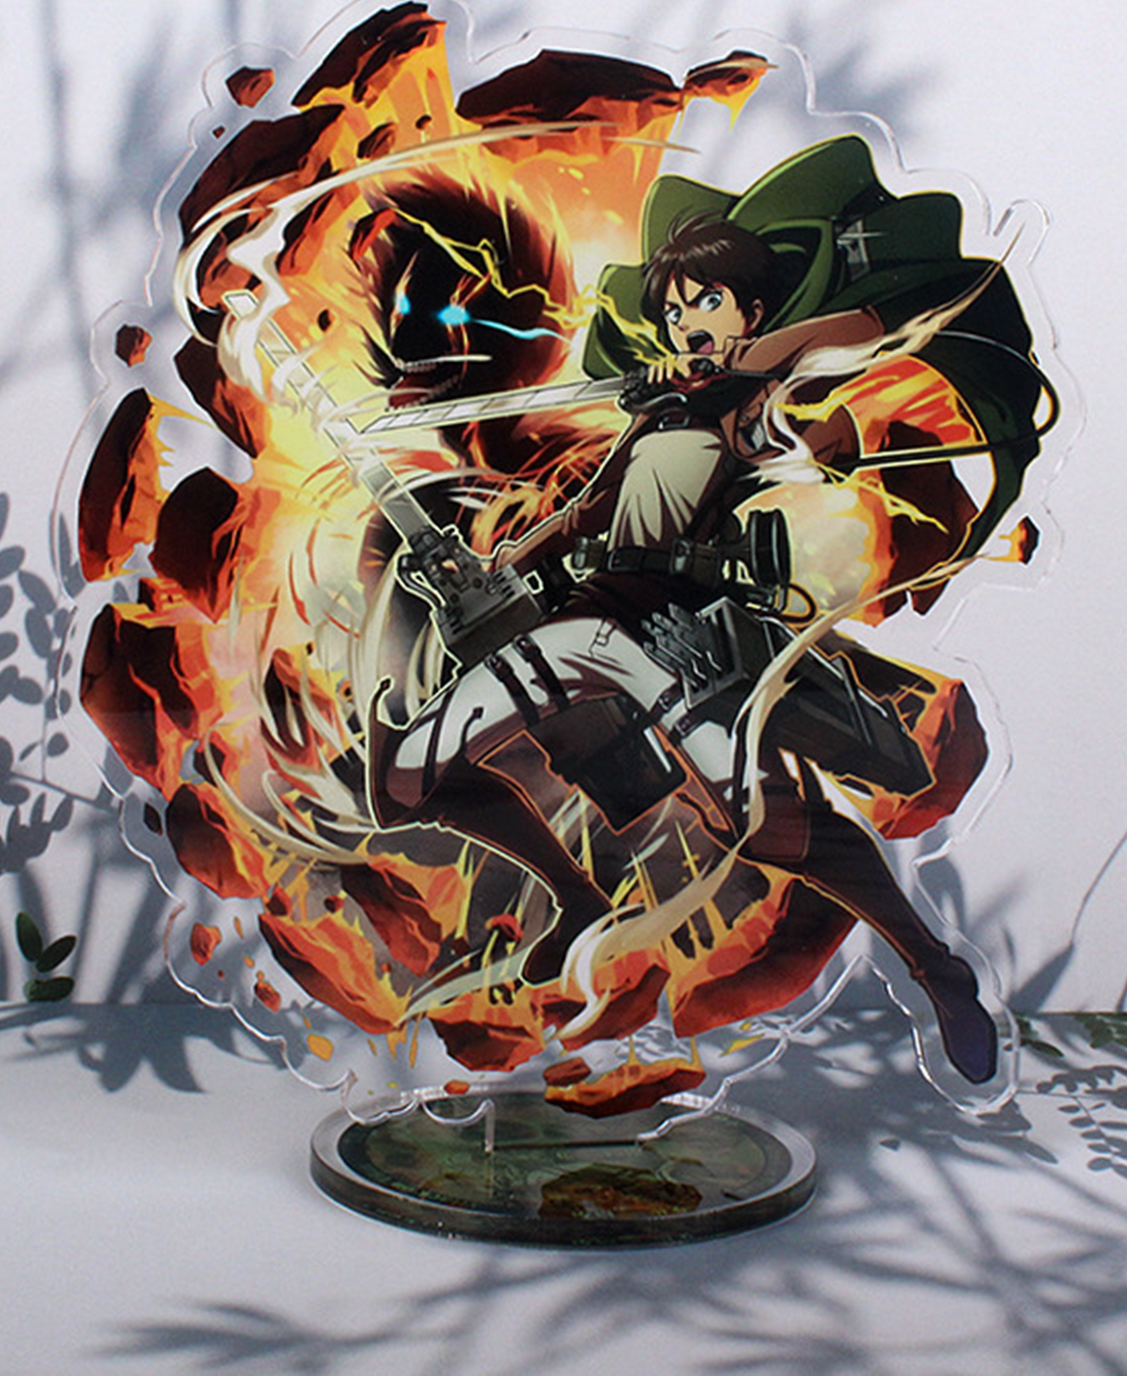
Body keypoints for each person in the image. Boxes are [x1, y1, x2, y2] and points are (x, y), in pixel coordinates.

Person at [369, 156, 1014, 1084]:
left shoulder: (749, 403)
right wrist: (498, 564)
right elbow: (586, 515)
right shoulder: (656, 413)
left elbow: (861, 329)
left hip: (675, 644)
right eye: (674, 311)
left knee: (771, 825)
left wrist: (751, 361)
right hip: (581, 624)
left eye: (707, 302)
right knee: (401, 777)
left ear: (749, 312)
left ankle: (934, 967)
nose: (687, 323)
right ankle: (576, 896)